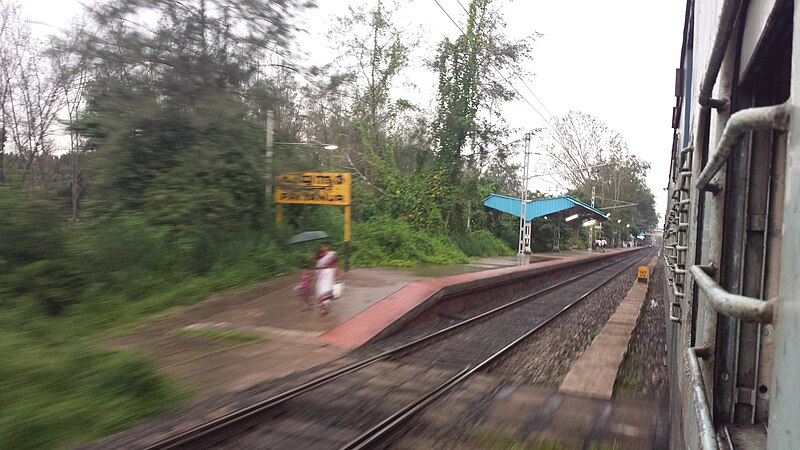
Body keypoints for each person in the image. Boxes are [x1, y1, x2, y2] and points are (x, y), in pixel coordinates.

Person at [315, 243, 340, 315]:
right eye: (322, 246)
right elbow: (318, 265)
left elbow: (337, 265)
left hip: (329, 273)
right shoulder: (320, 256)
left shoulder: (333, 254)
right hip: (320, 274)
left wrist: (338, 275)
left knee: (326, 289)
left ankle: (325, 307)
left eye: (325, 246)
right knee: (319, 289)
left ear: (328, 247)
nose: (323, 247)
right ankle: (324, 305)